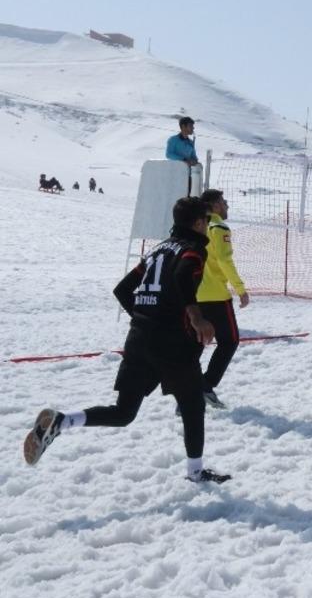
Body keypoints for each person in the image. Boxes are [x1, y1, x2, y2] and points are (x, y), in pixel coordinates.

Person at [22, 197, 230, 483]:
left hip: (139, 339)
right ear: (197, 223)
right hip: (171, 345)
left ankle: (62, 421)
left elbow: (123, 290)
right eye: (206, 221)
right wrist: (195, 317)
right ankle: (195, 474)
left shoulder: (159, 250)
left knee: (123, 413)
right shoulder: (193, 249)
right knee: (194, 405)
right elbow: (183, 277)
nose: (208, 226)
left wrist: (147, 316)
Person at [196, 189, 249, 409]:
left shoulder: (195, 227)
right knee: (230, 341)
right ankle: (204, 386)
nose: (227, 205)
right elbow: (226, 262)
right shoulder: (218, 228)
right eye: (224, 202)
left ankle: (188, 392)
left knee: (195, 345)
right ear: (215, 206)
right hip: (216, 296)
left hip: (193, 296)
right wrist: (240, 289)